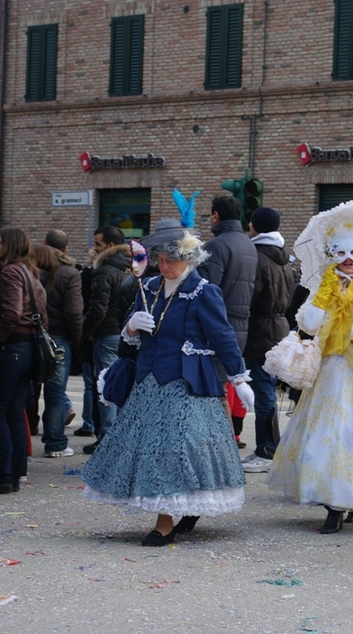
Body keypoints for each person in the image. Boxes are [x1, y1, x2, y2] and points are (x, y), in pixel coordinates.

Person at [82, 219, 253, 546]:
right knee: (154, 450)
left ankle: (168, 519)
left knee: (180, 450)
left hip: (187, 383)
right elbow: (128, 345)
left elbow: (223, 338)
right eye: (159, 260)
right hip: (148, 381)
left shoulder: (204, 292)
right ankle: (172, 514)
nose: (164, 267)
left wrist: (239, 378)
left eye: (171, 260)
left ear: (189, 258)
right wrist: (131, 327)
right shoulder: (146, 289)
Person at [268, 204, 353, 534]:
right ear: (331, 253)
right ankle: (333, 503)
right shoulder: (324, 284)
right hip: (330, 372)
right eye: (340, 252)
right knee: (328, 434)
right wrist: (323, 297)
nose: (347, 258)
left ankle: (352, 497)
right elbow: (308, 325)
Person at [0, 228, 48, 495]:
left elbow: (13, 312)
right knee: (14, 413)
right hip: (28, 349)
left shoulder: (11, 272)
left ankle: (1, 475)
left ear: (11, 245)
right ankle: (14, 474)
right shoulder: (31, 273)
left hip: (13, 347)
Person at [197, 196, 257, 445]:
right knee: (223, 384)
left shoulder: (216, 246)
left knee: (214, 389)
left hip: (218, 324)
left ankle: (221, 448)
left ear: (215, 216)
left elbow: (206, 291)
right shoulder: (248, 244)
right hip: (241, 323)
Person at [241, 207, 294, 474]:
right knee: (267, 390)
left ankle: (268, 448)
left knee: (263, 392)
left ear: (255, 226)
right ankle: (269, 446)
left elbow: (249, 298)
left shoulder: (257, 258)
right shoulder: (283, 258)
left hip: (260, 329)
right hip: (279, 327)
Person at [80, 226, 131, 454]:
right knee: (120, 386)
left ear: (110, 246)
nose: (94, 248)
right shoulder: (129, 268)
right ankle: (119, 438)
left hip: (107, 333)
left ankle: (108, 439)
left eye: (98, 244)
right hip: (124, 333)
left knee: (106, 388)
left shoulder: (104, 271)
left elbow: (98, 306)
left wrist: (87, 330)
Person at [35, 242, 83, 457]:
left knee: (26, 392)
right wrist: (75, 337)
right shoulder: (70, 274)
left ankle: (24, 439)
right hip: (57, 338)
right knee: (55, 393)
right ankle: (55, 443)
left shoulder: (28, 272)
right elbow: (74, 311)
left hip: (30, 336)